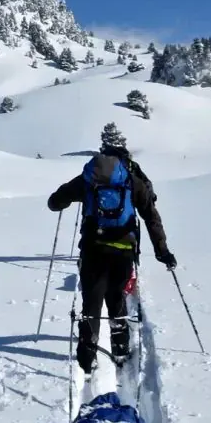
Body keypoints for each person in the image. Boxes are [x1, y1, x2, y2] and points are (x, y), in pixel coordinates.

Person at [47, 144, 176, 374]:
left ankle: (87, 358)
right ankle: (120, 347)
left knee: (91, 303)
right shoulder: (130, 180)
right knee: (116, 296)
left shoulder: (88, 179)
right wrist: (162, 251)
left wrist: (63, 201)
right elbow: (150, 216)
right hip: (123, 250)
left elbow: (55, 202)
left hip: (93, 249)